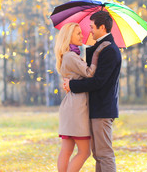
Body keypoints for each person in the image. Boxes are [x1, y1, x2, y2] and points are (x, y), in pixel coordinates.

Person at [63, 11, 122, 172]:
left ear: (102, 27)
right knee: (98, 154)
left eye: (92, 27)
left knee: (104, 154)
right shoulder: (101, 48)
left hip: (103, 108)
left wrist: (72, 85)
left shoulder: (109, 50)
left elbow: (98, 81)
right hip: (97, 108)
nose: (89, 31)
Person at [55, 22, 110, 172]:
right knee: (84, 151)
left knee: (66, 149)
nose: (82, 36)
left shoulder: (67, 56)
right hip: (77, 107)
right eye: (78, 33)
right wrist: (97, 53)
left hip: (70, 106)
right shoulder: (71, 56)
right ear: (69, 36)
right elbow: (90, 73)